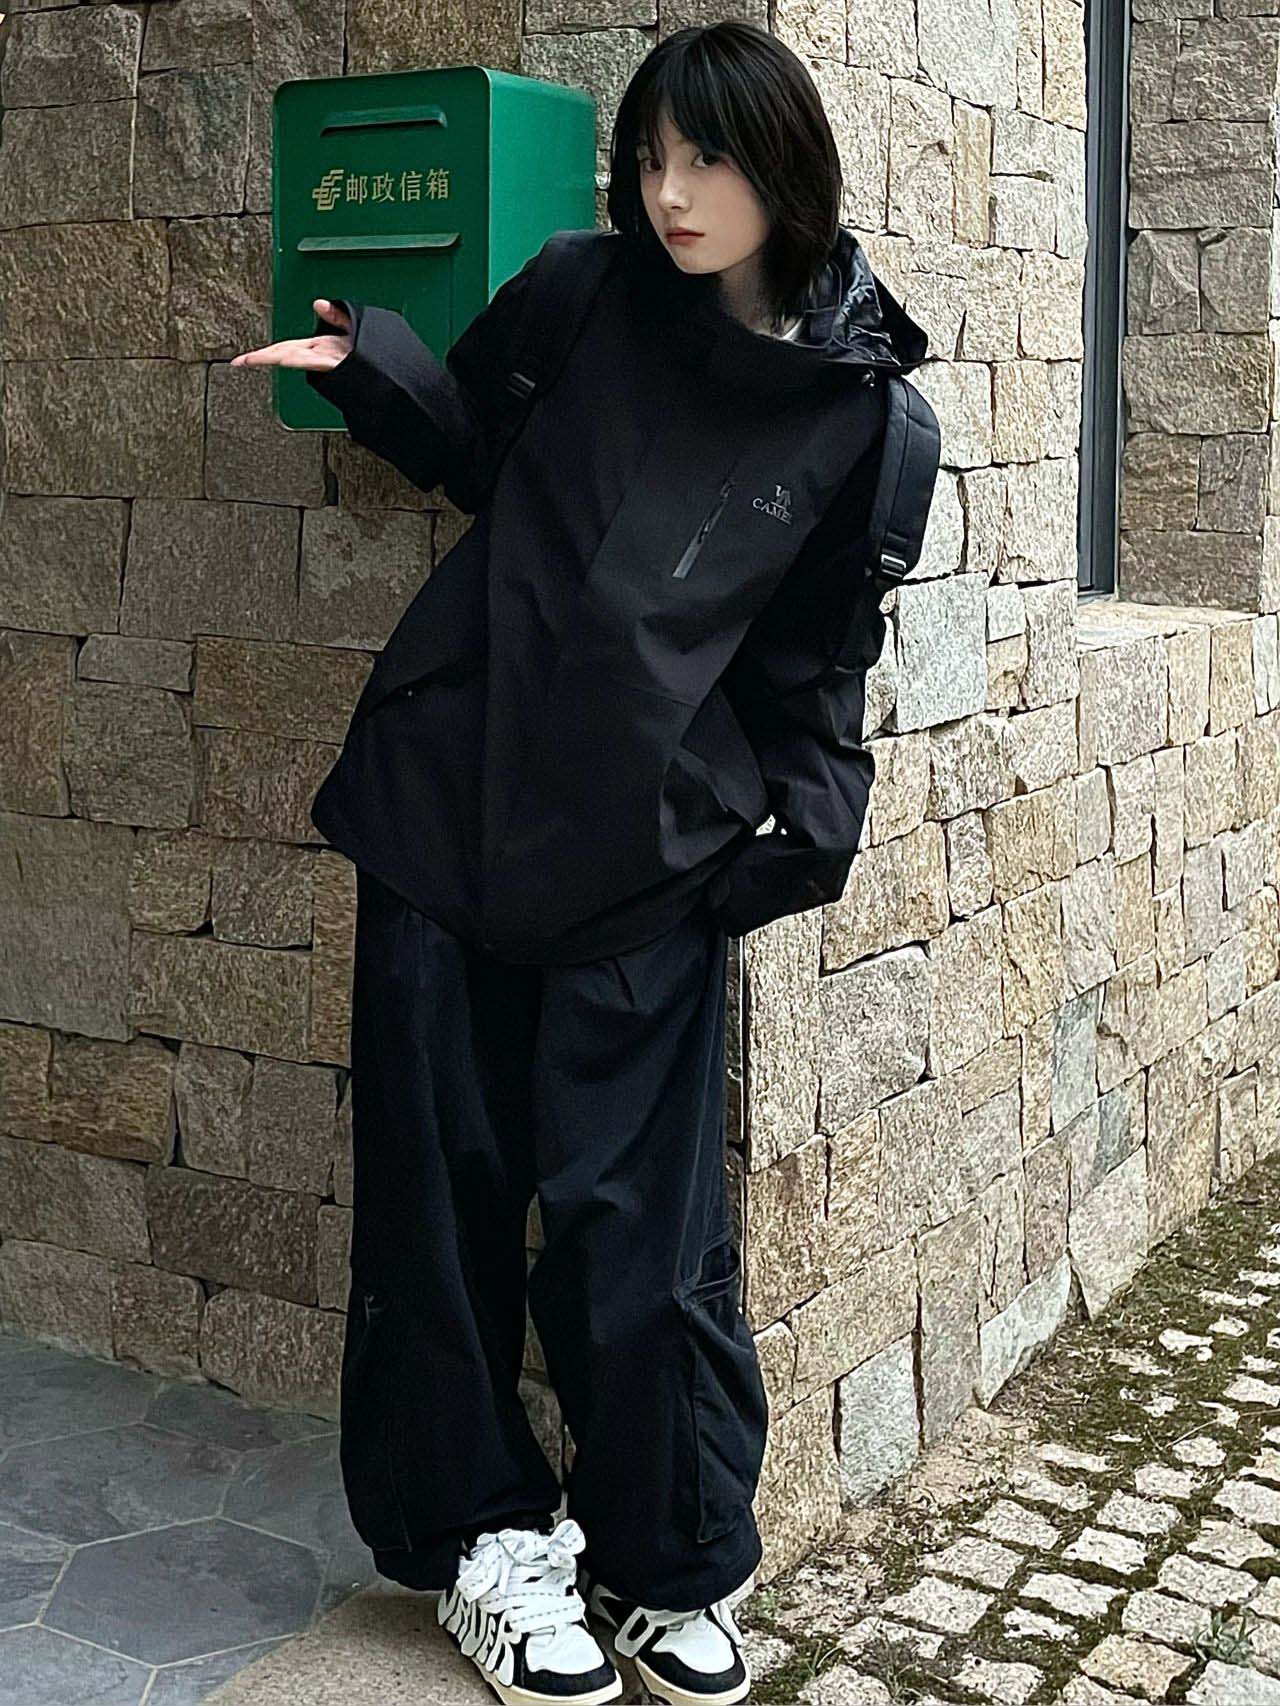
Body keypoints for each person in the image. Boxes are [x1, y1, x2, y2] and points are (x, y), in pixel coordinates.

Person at [231, 19, 930, 1706]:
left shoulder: (865, 423)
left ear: (788, 168)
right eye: (652, 158)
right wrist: (376, 373)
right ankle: (484, 1536)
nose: (672, 194)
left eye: (710, 160)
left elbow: (815, 671)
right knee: (440, 1196)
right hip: (444, 809)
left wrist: (789, 837)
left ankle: (667, 1554)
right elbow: (484, 448)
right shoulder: (579, 290)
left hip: (642, 860)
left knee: (638, 1229)